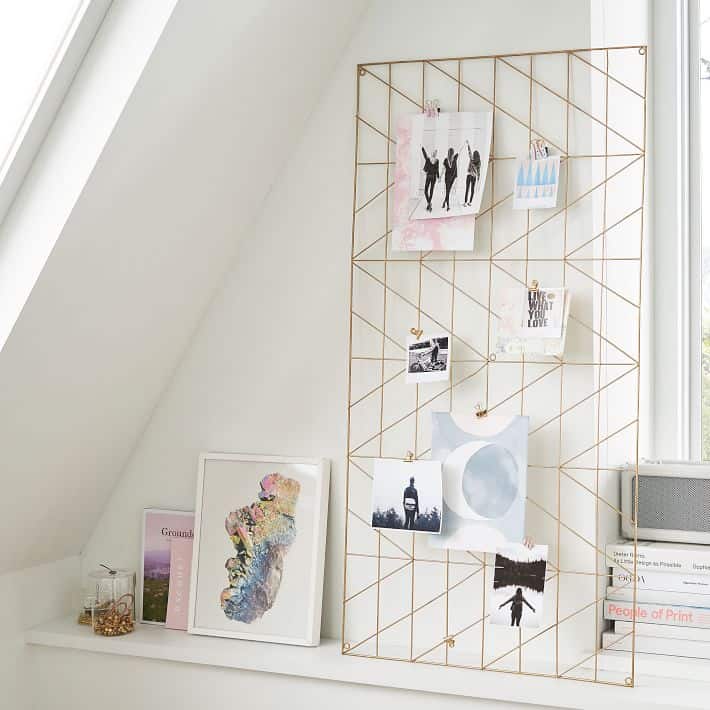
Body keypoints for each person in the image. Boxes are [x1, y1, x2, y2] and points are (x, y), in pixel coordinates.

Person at [421, 147, 439, 212]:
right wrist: (438, 177)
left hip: (429, 176)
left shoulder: (429, 159)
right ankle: (429, 203)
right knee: (430, 190)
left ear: (432, 153)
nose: (434, 153)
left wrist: (422, 149)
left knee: (427, 190)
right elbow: (437, 170)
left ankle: (429, 204)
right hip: (433, 177)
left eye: (434, 152)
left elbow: (425, 155)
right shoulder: (436, 160)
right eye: (435, 152)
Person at [464, 141, 481, 207]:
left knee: (467, 189)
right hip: (474, 177)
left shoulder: (472, 159)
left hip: (469, 176)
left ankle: (465, 202)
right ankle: (470, 202)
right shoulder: (479, 162)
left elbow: (469, 152)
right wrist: (478, 177)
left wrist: (468, 145)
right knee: (472, 190)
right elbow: (479, 171)